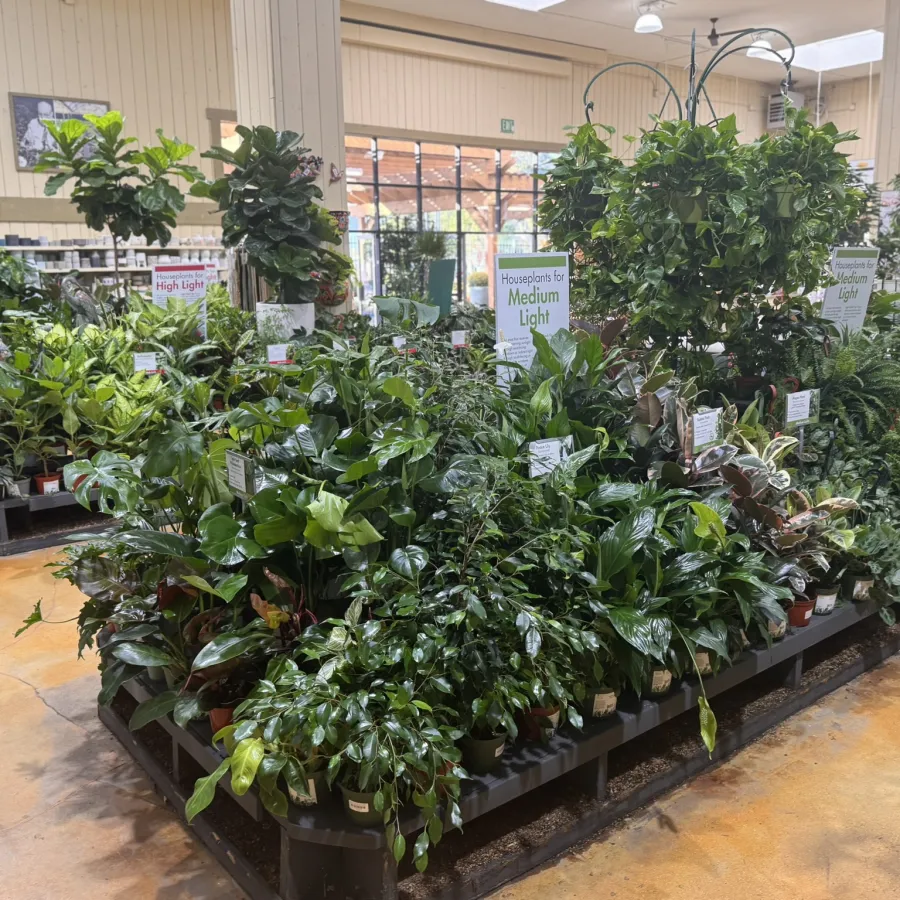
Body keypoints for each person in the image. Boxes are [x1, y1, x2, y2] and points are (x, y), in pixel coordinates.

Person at [19, 101, 55, 168]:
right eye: (40, 114)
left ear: (51, 114)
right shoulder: (33, 124)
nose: (42, 118)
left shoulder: (58, 126)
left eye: (46, 115)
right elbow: (23, 143)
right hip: (35, 161)